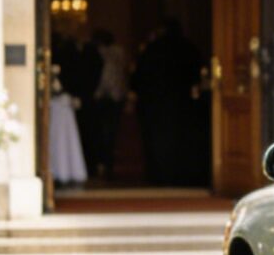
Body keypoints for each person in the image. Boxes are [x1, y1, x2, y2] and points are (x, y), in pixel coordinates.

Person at [133, 18, 205, 186]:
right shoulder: (188, 48)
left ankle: (157, 176)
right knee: (180, 139)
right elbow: (195, 74)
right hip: (180, 102)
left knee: (156, 141)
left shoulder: (151, 49)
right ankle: (179, 175)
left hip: (154, 103)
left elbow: (138, 77)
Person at [84, 28, 129, 180]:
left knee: (102, 130)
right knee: (110, 131)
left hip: (104, 96)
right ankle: (106, 161)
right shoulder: (120, 53)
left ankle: (104, 161)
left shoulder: (101, 53)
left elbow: (105, 77)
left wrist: (97, 93)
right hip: (116, 95)